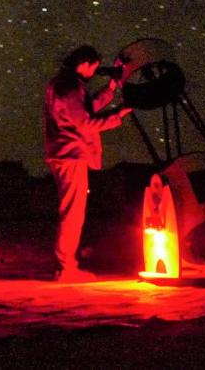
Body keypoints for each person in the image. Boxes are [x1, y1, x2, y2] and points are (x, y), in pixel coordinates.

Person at [44, 44, 132, 282]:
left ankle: (65, 265)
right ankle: (66, 268)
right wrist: (117, 117)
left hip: (62, 153)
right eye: (93, 66)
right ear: (84, 64)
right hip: (70, 154)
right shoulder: (71, 86)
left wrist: (110, 90)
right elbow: (86, 123)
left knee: (70, 212)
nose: (94, 71)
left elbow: (85, 109)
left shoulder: (62, 83)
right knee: (72, 214)